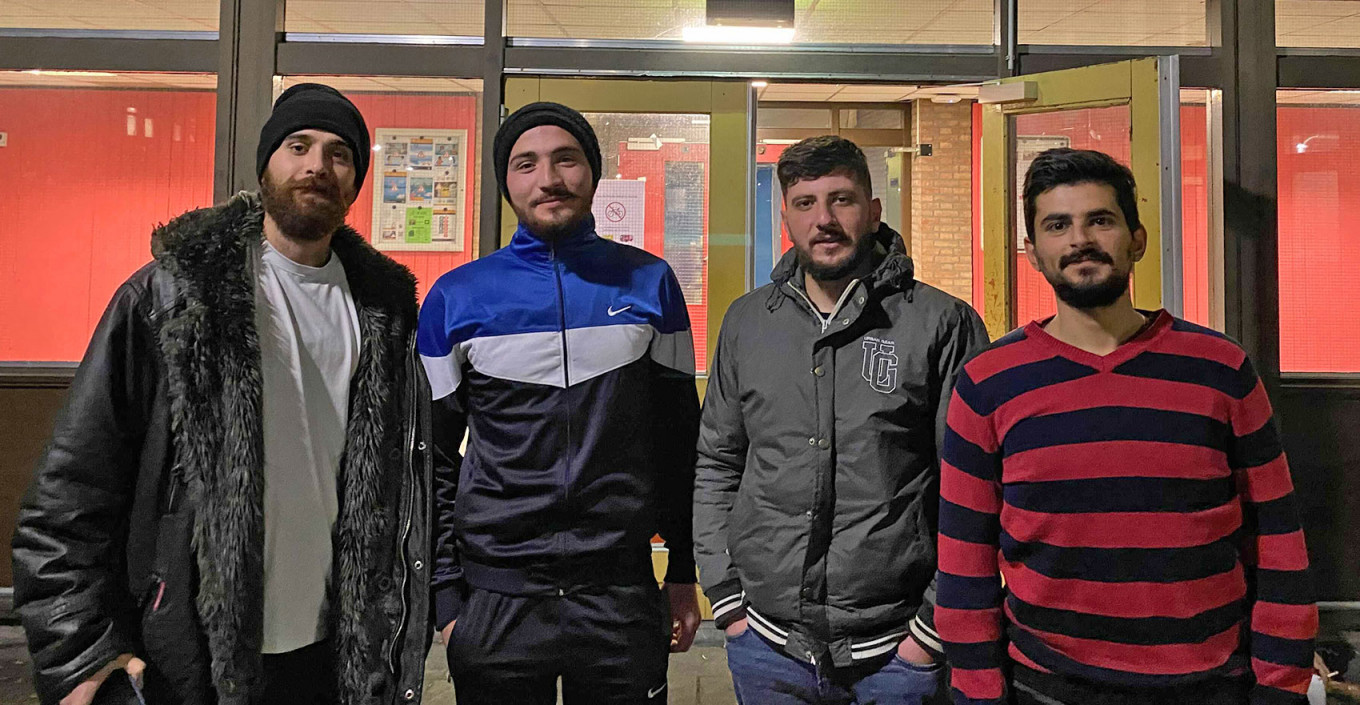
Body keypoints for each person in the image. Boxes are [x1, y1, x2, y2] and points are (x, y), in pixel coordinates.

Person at [12, 83, 432, 705]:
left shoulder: (383, 315)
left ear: (355, 181)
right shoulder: (172, 298)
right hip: (189, 653)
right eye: (298, 146)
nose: (317, 165)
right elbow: (71, 492)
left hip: (333, 653)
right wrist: (79, 656)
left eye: (340, 154)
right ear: (266, 164)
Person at [935, 148, 1318, 705]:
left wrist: (1281, 686)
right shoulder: (988, 382)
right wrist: (978, 691)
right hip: (1047, 686)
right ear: (1033, 253)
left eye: (1101, 220)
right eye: (1057, 225)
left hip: (1209, 686)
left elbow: (1279, 539)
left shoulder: (1222, 370)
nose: (1080, 240)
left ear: (1137, 240)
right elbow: (963, 560)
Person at [418, 102, 701, 705]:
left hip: (619, 592)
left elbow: (682, 444)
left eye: (565, 159)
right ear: (508, 183)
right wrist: (446, 599)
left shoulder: (651, 284)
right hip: (496, 598)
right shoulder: (455, 298)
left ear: (592, 174)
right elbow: (432, 461)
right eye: (526, 163)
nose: (548, 178)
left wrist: (681, 572)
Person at [693, 135, 989, 705]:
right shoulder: (749, 323)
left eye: (841, 199)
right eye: (804, 203)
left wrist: (930, 631)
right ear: (785, 215)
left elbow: (972, 491)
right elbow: (718, 460)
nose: (823, 219)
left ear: (874, 211)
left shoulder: (940, 324)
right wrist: (726, 598)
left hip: (899, 652)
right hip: (767, 646)